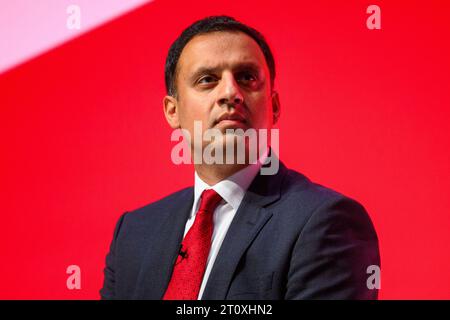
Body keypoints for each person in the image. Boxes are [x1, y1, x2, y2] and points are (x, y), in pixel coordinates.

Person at [100, 15, 380, 300]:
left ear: (273, 106)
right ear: (173, 111)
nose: (231, 92)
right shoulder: (134, 232)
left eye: (247, 77)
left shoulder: (327, 221)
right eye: (207, 80)